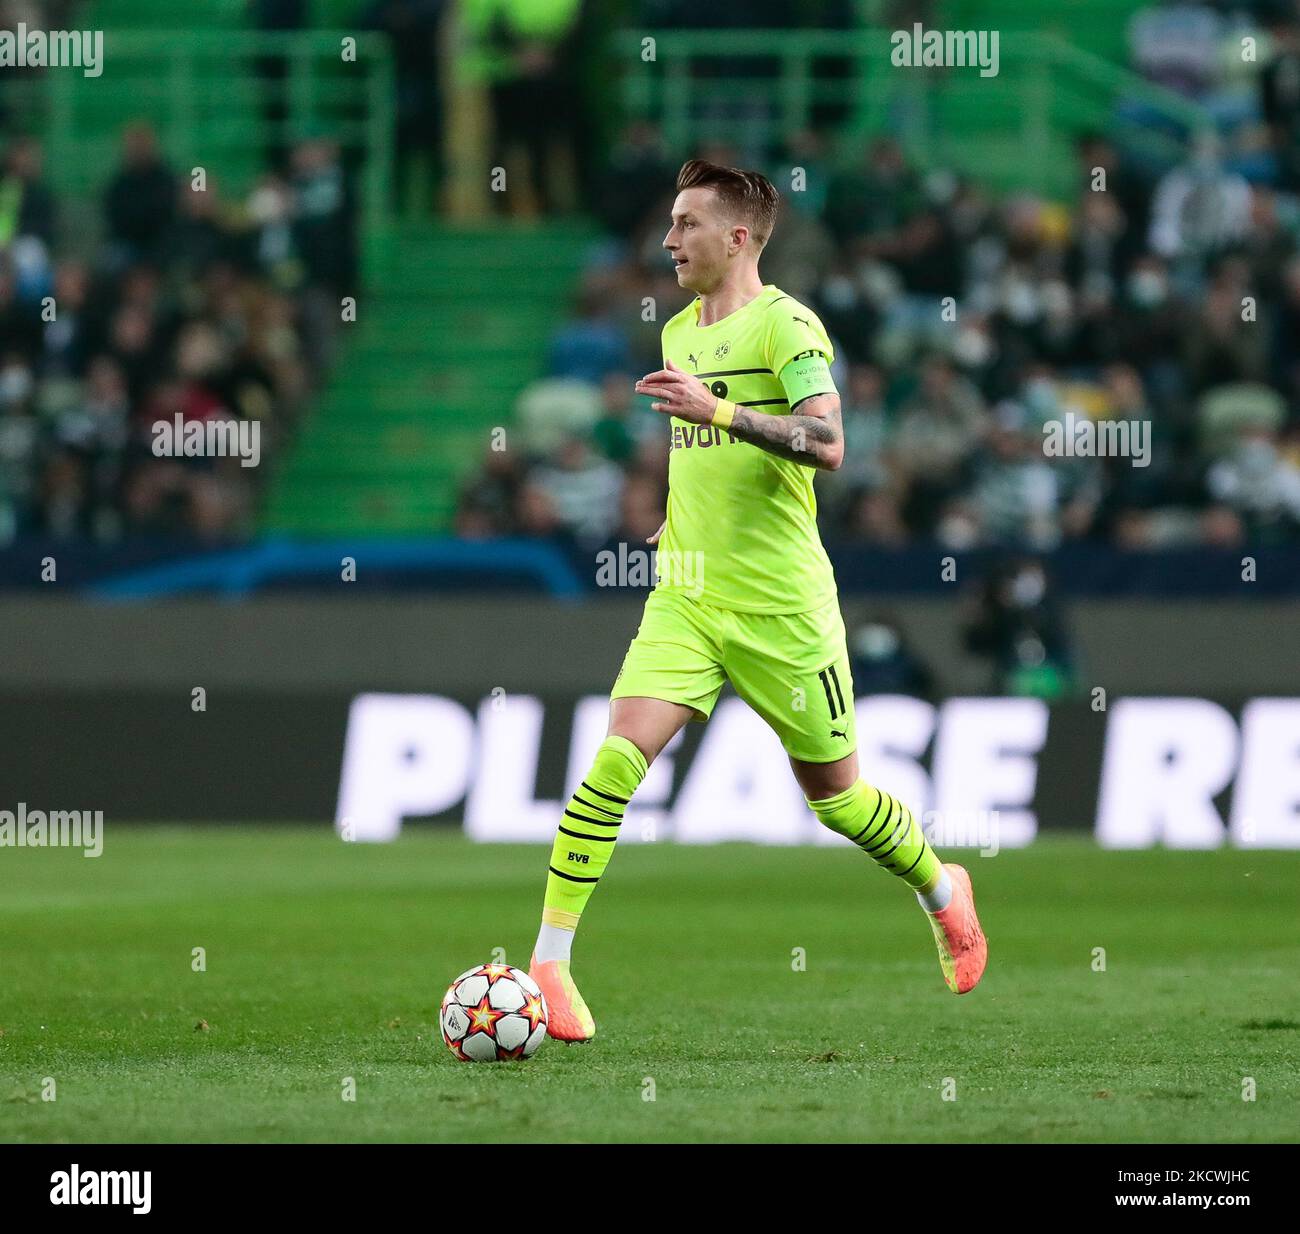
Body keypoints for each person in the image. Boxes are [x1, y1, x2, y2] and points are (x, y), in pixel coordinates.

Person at [527, 160, 988, 1042]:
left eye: (687, 225)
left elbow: (829, 441)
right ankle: (552, 962)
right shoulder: (675, 332)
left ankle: (942, 888)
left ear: (737, 238)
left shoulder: (790, 326)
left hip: (782, 604)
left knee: (838, 800)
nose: (668, 241)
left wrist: (722, 412)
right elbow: (694, 450)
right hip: (689, 593)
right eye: (668, 223)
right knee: (617, 760)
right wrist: (676, 516)